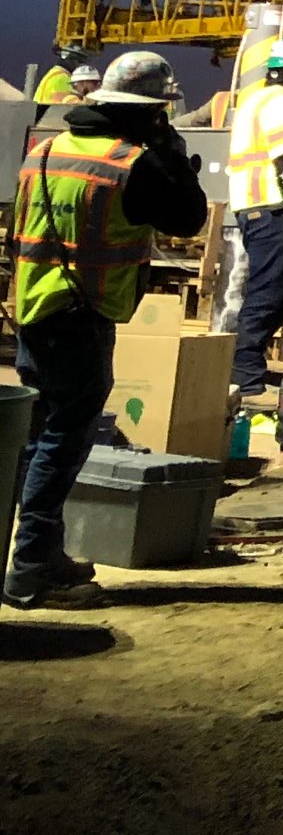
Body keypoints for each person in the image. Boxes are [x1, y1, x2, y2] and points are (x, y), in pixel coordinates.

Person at [7, 51, 208, 608]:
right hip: (81, 315)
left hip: (33, 310)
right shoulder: (131, 163)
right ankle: (29, 575)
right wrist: (171, 155)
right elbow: (188, 217)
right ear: (146, 111)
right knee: (60, 445)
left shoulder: (46, 150)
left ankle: (41, 555)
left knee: (35, 440)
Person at [223, 35, 283, 398]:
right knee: (267, 293)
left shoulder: (254, 101)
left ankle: (245, 362)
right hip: (272, 209)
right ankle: (245, 377)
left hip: (250, 206)